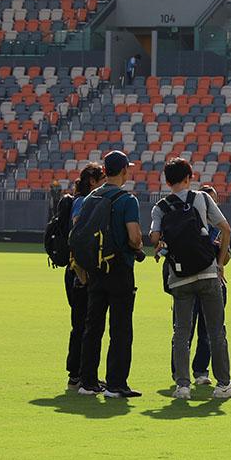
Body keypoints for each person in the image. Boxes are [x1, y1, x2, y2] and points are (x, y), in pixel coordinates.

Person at [150, 160, 231, 399]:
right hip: (207, 272)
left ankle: (182, 385)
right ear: (189, 176)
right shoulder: (202, 199)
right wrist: (221, 262)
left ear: (167, 180)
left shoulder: (160, 207)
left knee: (181, 332)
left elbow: (154, 237)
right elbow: (225, 228)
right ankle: (223, 384)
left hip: (179, 276)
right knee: (216, 330)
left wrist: (163, 244)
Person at [77, 150, 145, 398]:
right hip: (119, 268)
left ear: (105, 171)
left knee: (93, 326)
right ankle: (116, 383)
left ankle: (88, 381)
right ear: (124, 171)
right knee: (120, 328)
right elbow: (134, 236)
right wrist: (137, 248)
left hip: (95, 268)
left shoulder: (91, 198)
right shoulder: (127, 200)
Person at [63, 163, 105, 393]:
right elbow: (79, 236)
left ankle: (79, 374)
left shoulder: (83, 201)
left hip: (77, 270)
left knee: (81, 324)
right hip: (80, 271)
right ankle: (79, 375)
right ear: (92, 181)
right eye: (102, 178)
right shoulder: (84, 202)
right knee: (84, 325)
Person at [183, 184, 227, 386]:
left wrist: (219, 253)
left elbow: (225, 259)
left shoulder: (218, 229)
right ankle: (180, 372)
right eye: (211, 201)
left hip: (212, 279)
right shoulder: (187, 224)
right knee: (185, 329)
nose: (214, 205)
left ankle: (201, 371)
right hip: (191, 279)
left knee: (207, 331)